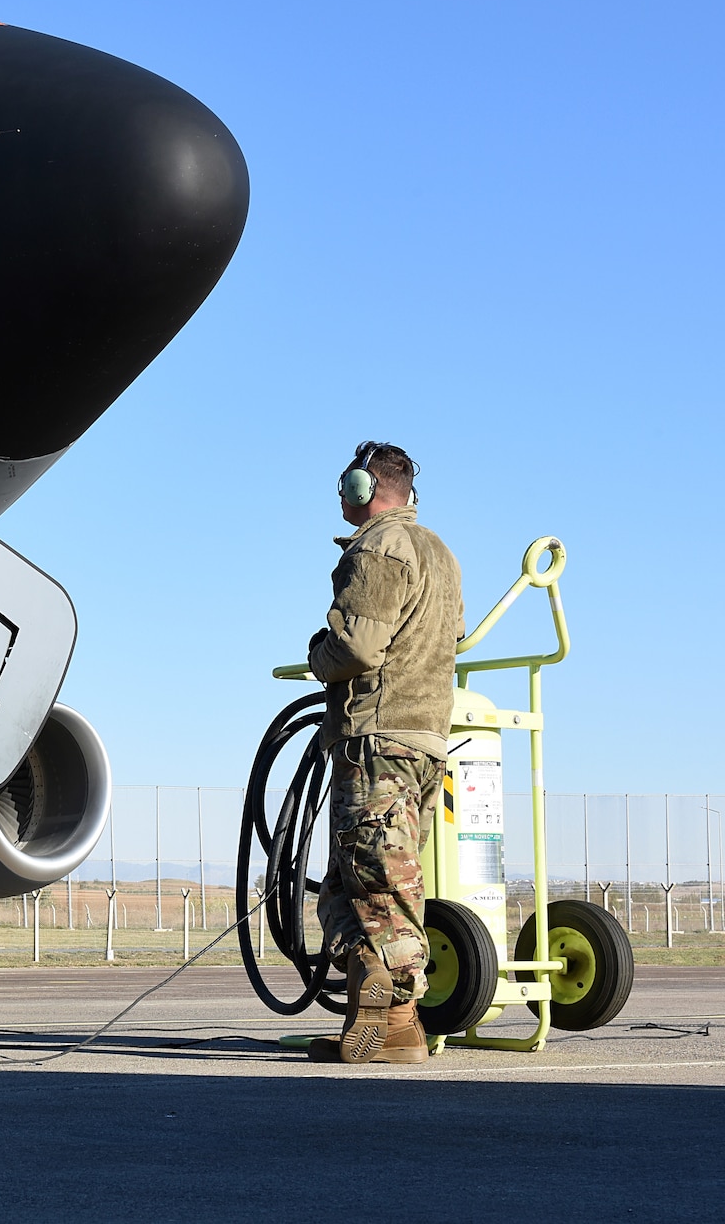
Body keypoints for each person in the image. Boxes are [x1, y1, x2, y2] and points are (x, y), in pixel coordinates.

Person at [305, 442, 464, 1064]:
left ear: (362, 488)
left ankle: (394, 1003)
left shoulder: (377, 549)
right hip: (426, 739)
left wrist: (321, 654)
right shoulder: (440, 554)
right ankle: (388, 1027)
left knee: (375, 885)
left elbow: (358, 648)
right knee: (359, 885)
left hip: (377, 739)